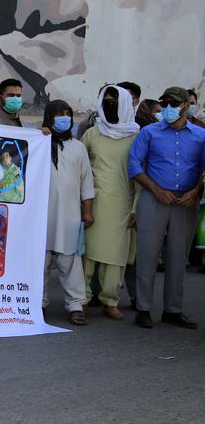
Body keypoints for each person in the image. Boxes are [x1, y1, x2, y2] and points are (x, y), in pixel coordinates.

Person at [129, 86, 205, 329]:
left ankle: (173, 309)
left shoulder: (200, 136)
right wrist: (156, 190)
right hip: (155, 197)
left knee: (177, 257)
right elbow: (134, 165)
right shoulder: (149, 132)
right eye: (166, 103)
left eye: (174, 103)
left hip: (186, 201)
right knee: (147, 254)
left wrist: (196, 193)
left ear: (185, 106)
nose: (169, 107)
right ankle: (143, 308)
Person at [81, 85, 139, 321]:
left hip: (122, 204)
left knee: (116, 257)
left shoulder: (137, 136)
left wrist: (135, 207)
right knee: (88, 255)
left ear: (125, 103)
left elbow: (141, 176)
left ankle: (110, 300)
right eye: (106, 100)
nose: (110, 104)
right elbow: (80, 168)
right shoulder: (92, 134)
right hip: (92, 203)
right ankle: (81, 299)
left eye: (115, 100)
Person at [42, 100, 96, 325]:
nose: (63, 118)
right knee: (41, 261)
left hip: (70, 214)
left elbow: (87, 182)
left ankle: (75, 304)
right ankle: (38, 302)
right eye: (58, 114)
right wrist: (40, 135)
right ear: (49, 118)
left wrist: (88, 211)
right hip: (42, 215)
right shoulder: (39, 143)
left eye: (67, 114)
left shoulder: (78, 147)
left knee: (70, 261)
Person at [77, 81, 141, 140]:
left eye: (125, 97)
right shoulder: (91, 127)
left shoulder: (139, 130)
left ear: (136, 101)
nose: (120, 101)